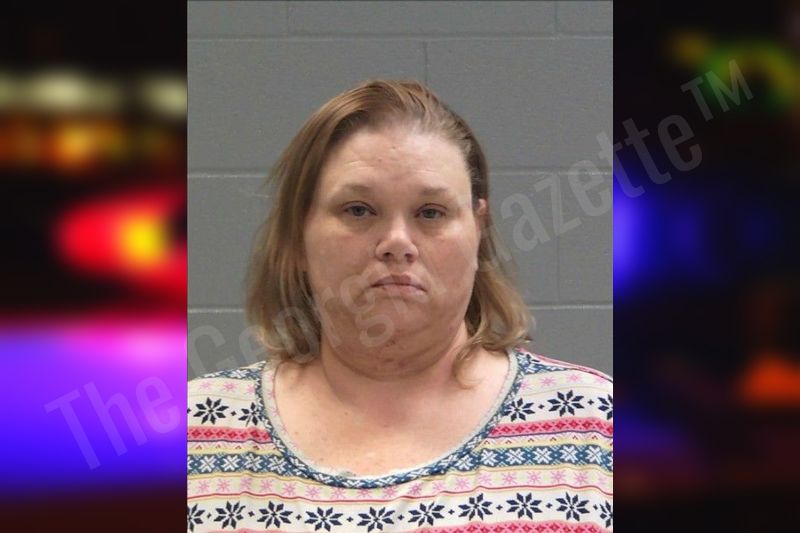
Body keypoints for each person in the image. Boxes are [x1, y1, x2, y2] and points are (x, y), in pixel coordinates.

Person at [187, 80, 613, 532]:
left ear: (478, 231)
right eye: (358, 210)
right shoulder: (192, 434)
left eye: (431, 212)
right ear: (298, 236)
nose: (396, 242)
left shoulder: (596, 428)